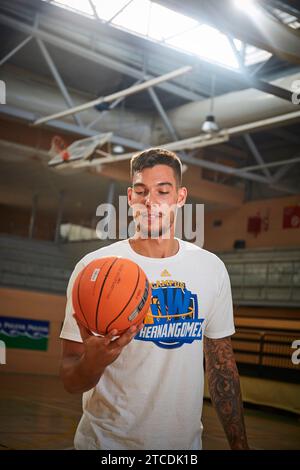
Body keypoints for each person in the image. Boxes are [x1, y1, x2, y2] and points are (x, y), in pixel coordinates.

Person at [60, 148, 249, 450]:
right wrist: (91, 365)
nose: (151, 201)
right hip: (106, 446)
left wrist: (240, 446)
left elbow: (222, 368)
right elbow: (70, 378)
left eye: (163, 190)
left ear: (180, 197)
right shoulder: (94, 269)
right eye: (141, 191)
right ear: (130, 197)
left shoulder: (211, 268)